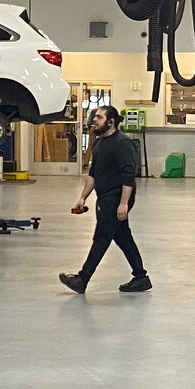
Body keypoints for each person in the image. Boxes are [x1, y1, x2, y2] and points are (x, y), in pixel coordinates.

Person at [60, 104, 151, 294]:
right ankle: (141, 277)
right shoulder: (98, 143)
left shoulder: (122, 143)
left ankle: (82, 279)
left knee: (101, 237)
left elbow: (128, 175)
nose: (94, 120)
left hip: (117, 197)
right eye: (95, 116)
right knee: (123, 236)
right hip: (104, 197)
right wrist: (82, 198)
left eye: (99, 117)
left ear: (110, 122)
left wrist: (123, 203)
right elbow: (93, 174)